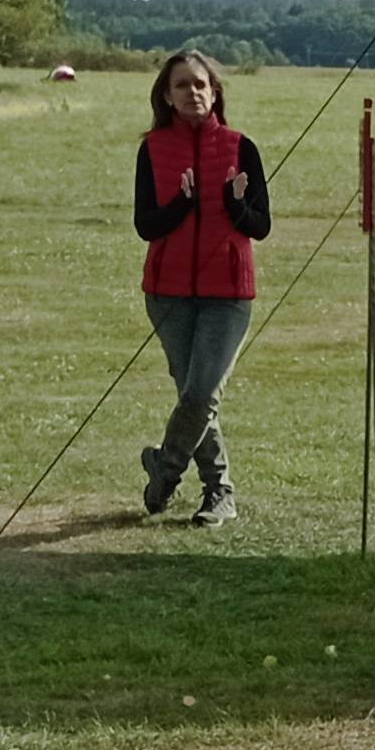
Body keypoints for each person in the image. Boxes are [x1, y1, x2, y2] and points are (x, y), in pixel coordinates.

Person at [132, 48, 271, 525]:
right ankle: (219, 493)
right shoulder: (152, 149)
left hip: (227, 295)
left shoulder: (240, 147)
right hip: (167, 294)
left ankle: (166, 469)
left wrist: (234, 205)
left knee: (202, 394)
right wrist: (180, 205)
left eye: (200, 84)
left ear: (214, 92)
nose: (192, 92)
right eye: (181, 85)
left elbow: (261, 226)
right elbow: (145, 225)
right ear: (167, 96)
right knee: (193, 395)